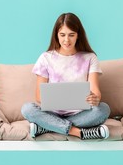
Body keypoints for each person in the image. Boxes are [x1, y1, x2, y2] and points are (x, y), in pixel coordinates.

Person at [21, 12, 110, 140]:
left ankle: (47, 127)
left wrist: (95, 98)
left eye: (71, 35)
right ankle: (79, 133)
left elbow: (95, 91)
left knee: (103, 109)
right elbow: (39, 96)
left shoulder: (90, 58)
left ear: (78, 35)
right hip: (52, 113)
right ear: (56, 35)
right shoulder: (46, 58)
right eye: (62, 35)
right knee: (27, 109)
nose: (66, 40)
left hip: (80, 113)